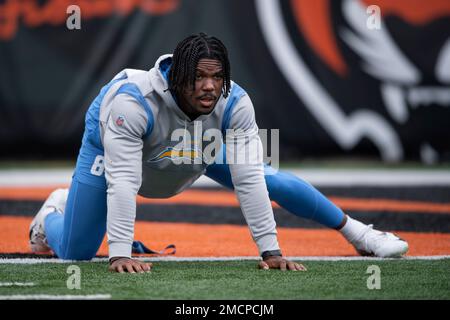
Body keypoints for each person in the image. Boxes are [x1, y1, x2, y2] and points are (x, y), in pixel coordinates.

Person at [29, 33, 408, 273]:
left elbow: (250, 182)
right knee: (77, 253)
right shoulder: (132, 104)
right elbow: (126, 181)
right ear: (178, 78)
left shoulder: (234, 102)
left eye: (217, 77)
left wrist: (270, 251)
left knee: (265, 175)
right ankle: (50, 216)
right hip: (126, 147)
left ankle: (362, 234)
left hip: (196, 141)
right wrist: (120, 253)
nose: (210, 87)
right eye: (198, 78)